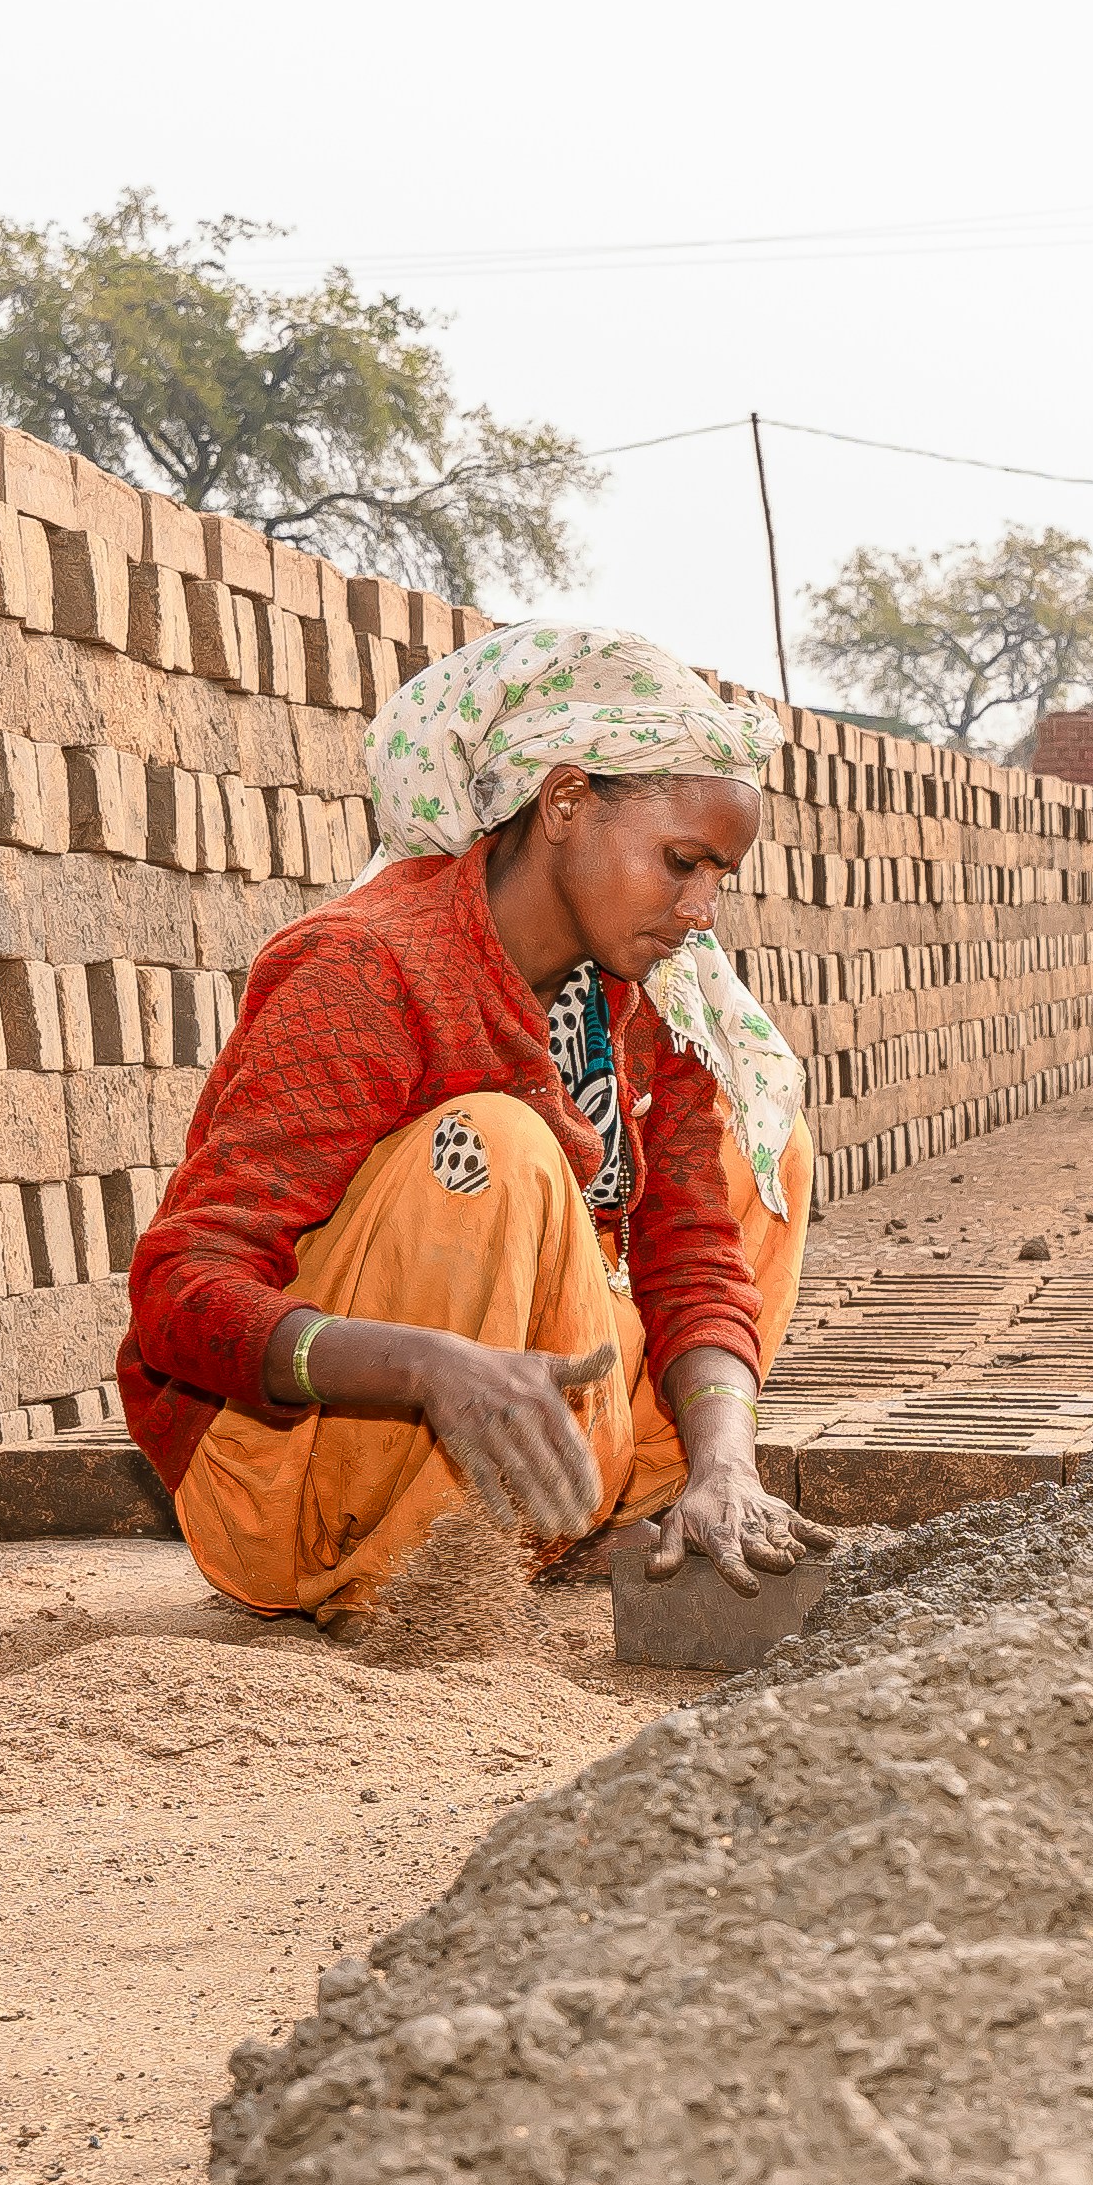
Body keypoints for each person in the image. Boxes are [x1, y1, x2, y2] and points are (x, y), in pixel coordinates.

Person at [120, 624, 822, 1617]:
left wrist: (728, 1460)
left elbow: (692, 1253)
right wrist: (424, 1365)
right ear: (567, 802)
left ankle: (634, 1511)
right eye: (680, 862)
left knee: (769, 1150)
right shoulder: (370, 969)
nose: (700, 910)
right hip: (299, 1483)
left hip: (535, 1462)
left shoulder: (644, 993)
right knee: (494, 1146)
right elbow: (178, 1288)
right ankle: (407, 1572)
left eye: (720, 877)